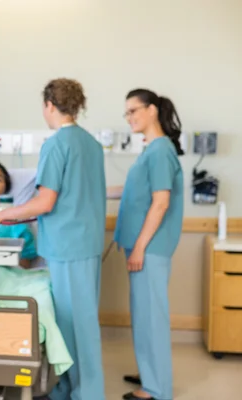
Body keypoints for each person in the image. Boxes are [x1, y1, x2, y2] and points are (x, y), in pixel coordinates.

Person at [0, 78, 106, 400]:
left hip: (68, 246)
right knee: (77, 321)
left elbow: (46, 201)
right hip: (87, 242)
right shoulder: (90, 143)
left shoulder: (56, 144)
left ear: (49, 105)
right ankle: (66, 389)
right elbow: (77, 197)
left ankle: (87, 393)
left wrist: (1, 215)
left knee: (77, 325)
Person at [112, 89, 184, 400]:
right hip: (145, 248)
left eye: (133, 111)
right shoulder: (151, 151)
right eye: (126, 113)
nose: (129, 117)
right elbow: (130, 192)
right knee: (144, 315)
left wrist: (140, 246)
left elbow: (161, 202)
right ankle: (150, 373)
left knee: (152, 318)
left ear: (152, 110)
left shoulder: (159, 151)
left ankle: (156, 389)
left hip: (150, 250)